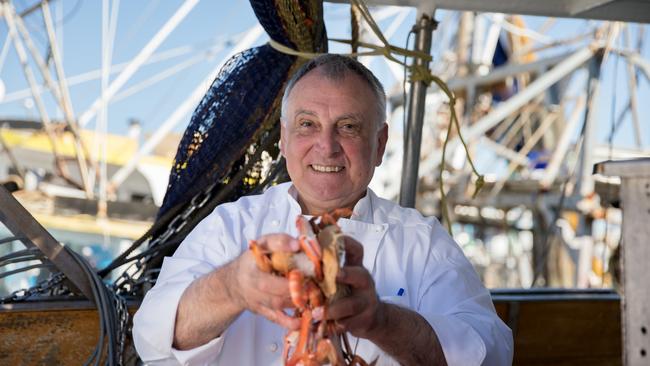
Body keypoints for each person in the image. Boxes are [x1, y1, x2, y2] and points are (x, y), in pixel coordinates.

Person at [133, 54, 513, 365]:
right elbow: (151, 337)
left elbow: (491, 352)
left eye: (347, 126)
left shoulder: (423, 242)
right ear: (283, 139)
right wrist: (234, 286)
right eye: (307, 124)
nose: (326, 146)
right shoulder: (232, 225)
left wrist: (380, 320)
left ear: (379, 144)